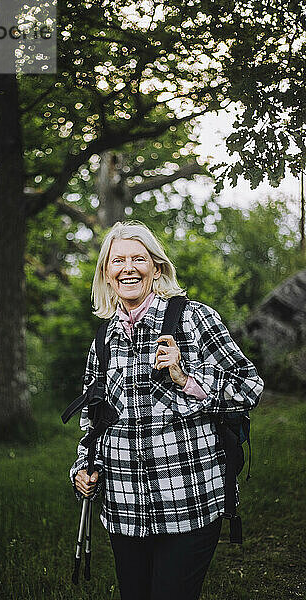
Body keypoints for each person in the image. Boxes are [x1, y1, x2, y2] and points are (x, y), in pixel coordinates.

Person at [69, 221, 264, 600]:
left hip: (187, 503)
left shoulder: (193, 318)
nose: (129, 267)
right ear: (107, 275)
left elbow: (248, 385)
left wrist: (185, 378)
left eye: (138, 259)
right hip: (124, 508)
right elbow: (92, 421)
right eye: (118, 260)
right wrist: (82, 468)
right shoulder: (103, 338)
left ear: (156, 269)